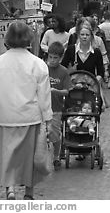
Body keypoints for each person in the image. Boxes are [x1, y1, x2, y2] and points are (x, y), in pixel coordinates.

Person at [0, 21, 52, 200]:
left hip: (5, 116)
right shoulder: (38, 64)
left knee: (7, 154)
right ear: (29, 39)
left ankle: (10, 189)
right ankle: (29, 192)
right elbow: (44, 95)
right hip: (30, 116)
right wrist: (48, 118)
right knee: (29, 157)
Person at [46, 41, 72, 170]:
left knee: (54, 134)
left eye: (55, 58)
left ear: (61, 58)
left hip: (56, 108)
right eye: (50, 57)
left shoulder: (64, 72)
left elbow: (67, 91)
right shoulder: (43, 68)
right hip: (42, 108)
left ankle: (56, 155)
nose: (52, 60)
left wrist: (56, 91)